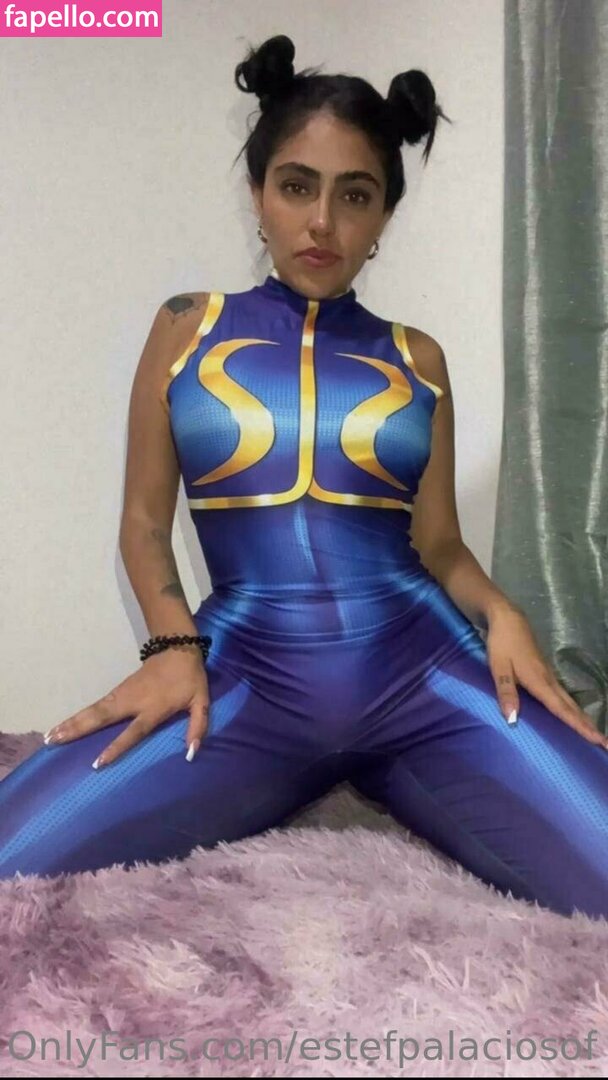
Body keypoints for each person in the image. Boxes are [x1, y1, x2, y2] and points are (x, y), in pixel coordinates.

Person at [1, 34, 607, 921]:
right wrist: (171, 649)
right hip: (241, 680)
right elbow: (143, 523)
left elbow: (439, 544)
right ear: (258, 194)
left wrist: (502, 613)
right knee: (12, 850)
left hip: (428, 678)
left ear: (384, 216)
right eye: (297, 186)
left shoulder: (419, 357)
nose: (322, 222)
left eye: (355, 195)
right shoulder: (185, 326)